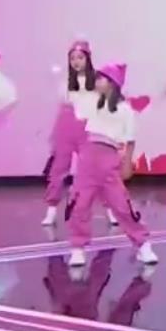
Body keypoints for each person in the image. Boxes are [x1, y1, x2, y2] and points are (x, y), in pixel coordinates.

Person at [66, 63, 159, 268]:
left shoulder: (125, 110)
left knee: (122, 205)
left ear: (112, 83)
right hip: (88, 158)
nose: (97, 82)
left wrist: (127, 164)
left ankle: (143, 244)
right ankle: (78, 247)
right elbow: (76, 96)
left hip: (109, 159)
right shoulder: (91, 102)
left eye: (101, 79)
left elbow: (130, 140)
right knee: (80, 203)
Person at [44, 41, 116, 228]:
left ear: (87, 59)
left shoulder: (97, 81)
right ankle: (51, 210)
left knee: (96, 169)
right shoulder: (66, 83)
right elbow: (63, 107)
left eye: (80, 58)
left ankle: (111, 210)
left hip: (87, 128)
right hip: (67, 127)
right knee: (59, 169)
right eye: (73, 58)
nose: (76, 62)